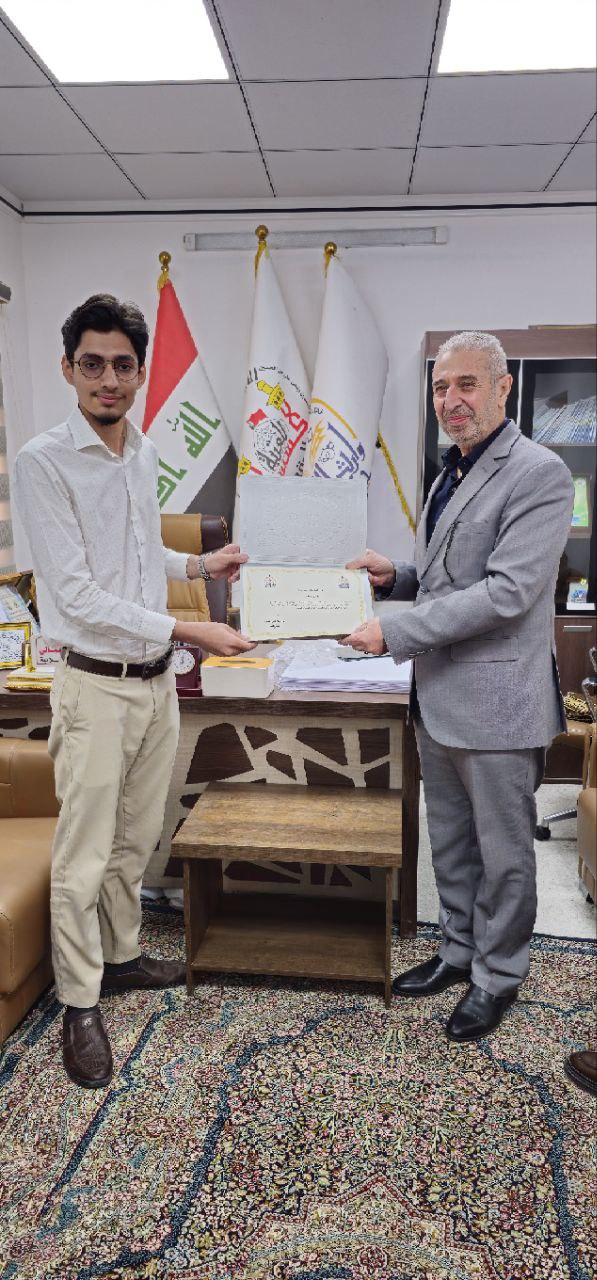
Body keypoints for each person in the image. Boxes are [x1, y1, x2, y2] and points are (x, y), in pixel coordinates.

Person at [13, 293, 255, 1089]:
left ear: (141, 373)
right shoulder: (43, 461)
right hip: (94, 688)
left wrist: (199, 566)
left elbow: (138, 548)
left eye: (122, 365)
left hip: (157, 687)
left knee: (136, 839)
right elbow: (76, 596)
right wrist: (192, 628)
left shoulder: (142, 450)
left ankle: (119, 957)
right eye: (93, 364)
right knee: (83, 856)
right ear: (68, 368)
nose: (108, 379)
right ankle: (79, 1002)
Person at [342, 331, 574, 1042]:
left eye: (467, 384)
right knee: (448, 843)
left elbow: (507, 592)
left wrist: (394, 631)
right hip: (439, 695)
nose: (450, 400)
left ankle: (497, 976)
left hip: (499, 702)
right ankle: (457, 951)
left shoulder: (539, 473)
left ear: (503, 388)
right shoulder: (450, 470)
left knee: (503, 856)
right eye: (441, 387)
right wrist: (398, 577)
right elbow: (451, 577)